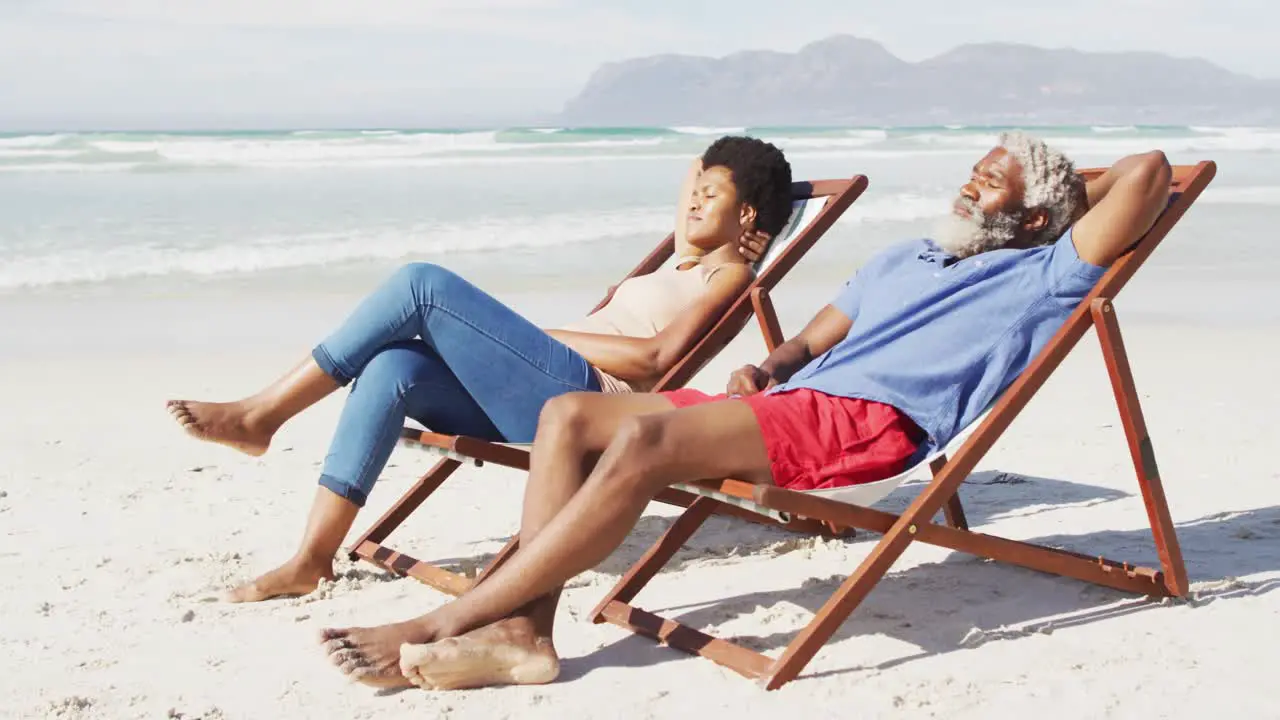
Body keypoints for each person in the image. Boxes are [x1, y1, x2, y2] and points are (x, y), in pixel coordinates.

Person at [317, 132, 1175, 691]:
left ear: (1034, 215)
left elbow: (1147, 174)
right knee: (570, 416)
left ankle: (446, 619)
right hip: (797, 400)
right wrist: (767, 363)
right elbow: (809, 338)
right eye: (971, 170)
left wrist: (1056, 196)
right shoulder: (903, 256)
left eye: (991, 183)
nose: (968, 186)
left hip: (863, 424)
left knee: (647, 434)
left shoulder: (1045, 269)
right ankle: (526, 634)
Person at [165, 135, 794, 603]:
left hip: (591, 401)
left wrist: (532, 335)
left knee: (421, 284)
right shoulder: (682, 258)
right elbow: (694, 172)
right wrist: (718, 182)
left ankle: (262, 414)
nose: (692, 201)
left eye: (711, 196)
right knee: (391, 366)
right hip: (545, 386)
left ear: (743, 216)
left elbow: (657, 362)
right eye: (695, 191)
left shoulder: (729, 274)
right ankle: (311, 559)